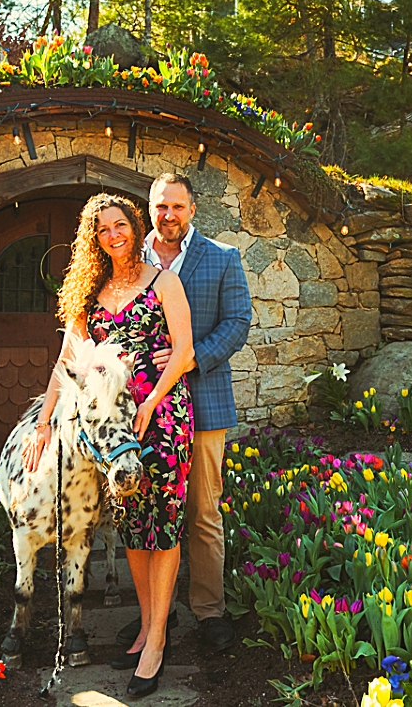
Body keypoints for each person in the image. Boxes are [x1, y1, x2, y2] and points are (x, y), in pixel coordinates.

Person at [22, 192, 195, 698]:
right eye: (102, 229)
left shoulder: (163, 281)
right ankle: (144, 625)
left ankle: (158, 641)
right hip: (113, 427)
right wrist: (43, 421)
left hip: (163, 418)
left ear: (134, 227)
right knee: (134, 526)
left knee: (163, 525)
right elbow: (66, 360)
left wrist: (151, 402)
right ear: (92, 238)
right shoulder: (90, 291)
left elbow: (182, 350)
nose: (113, 234)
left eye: (120, 225)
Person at [139, 172, 251, 656]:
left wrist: (190, 356)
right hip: (140, 410)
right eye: (161, 206)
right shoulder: (126, 260)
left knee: (203, 512)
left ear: (192, 210)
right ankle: (148, 618)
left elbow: (237, 324)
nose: (168, 215)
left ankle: (208, 611)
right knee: (142, 511)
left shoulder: (222, 259)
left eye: (177, 207)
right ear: (149, 207)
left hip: (204, 400)